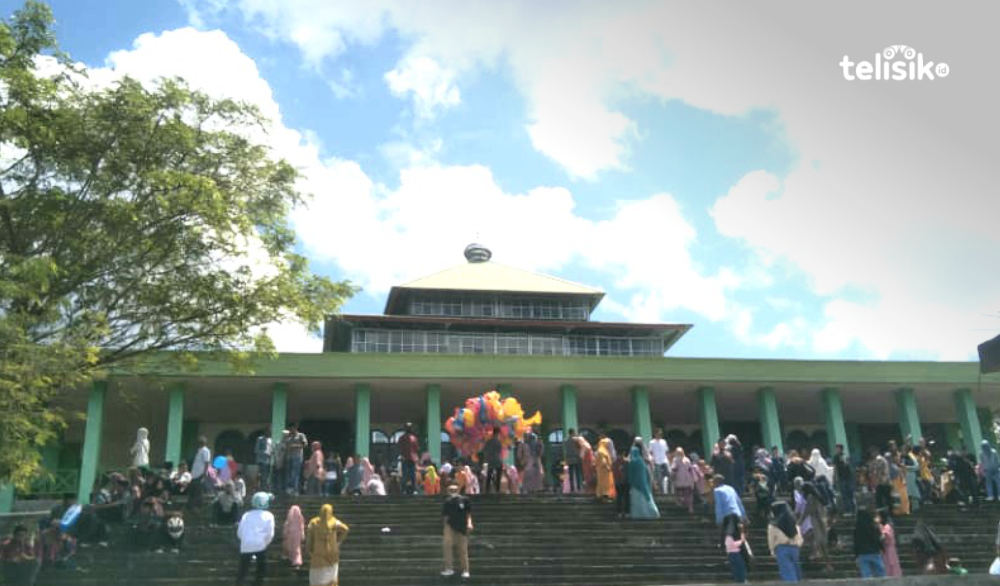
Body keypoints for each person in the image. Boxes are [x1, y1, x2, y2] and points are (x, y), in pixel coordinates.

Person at [236, 492, 275, 586]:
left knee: (243, 570)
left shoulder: (246, 515)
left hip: (245, 545)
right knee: (261, 569)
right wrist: (265, 543)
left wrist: (244, 541)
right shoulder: (268, 515)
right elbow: (270, 533)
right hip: (260, 545)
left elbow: (240, 532)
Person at [306, 504, 350, 586]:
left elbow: (309, 538)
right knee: (331, 578)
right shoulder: (334, 522)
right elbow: (345, 529)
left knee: (317, 578)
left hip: (317, 555)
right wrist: (338, 541)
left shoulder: (313, 522)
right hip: (332, 555)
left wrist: (308, 549)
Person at [441, 483, 472, 579]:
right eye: (451, 490)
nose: (453, 491)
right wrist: (445, 528)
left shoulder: (465, 500)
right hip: (450, 526)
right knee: (447, 548)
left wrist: (470, 523)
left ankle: (465, 570)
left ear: (458, 490)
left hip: (462, 526)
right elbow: (445, 516)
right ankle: (449, 568)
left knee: (463, 549)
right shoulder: (447, 501)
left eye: (454, 489)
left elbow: (468, 513)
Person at [767, 501, 803, 582]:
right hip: (794, 547)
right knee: (796, 570)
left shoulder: (773, 524)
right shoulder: (793, 521)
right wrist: (798, 544)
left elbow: (771, 539)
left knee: (787, 572)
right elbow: (799, 535)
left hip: (781, 548)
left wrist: (772, 550)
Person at [627, 438, 660, 519]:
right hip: (644, 484)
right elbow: (648, 473)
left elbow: (630, 474)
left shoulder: (632, 462)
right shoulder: (641, 461)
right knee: (645, 500)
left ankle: (638, 514)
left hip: (635, 485)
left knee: (637, 501)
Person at [852, 509, 885, 578]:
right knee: (880, 573)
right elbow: (877, 539)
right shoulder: (872, 526)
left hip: (862, 553)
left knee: (866, 574)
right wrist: (882, 548)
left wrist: (856, 555)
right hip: (874, 552)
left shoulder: (856, 529)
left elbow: (856, 543)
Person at [722, 514, 748, 583]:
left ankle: (740, 581)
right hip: (734, 553)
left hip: (733, 554)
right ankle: (741, 581)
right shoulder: (729, 535)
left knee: (738, 569)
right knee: (740, 568)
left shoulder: (731, 533)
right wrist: (741, 541)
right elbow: (730, 544)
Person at [671, 447, 696, 514]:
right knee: (680, 494)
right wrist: (673, 476)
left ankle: (690, 508)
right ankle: (683, 505)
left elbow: (690, 469)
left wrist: (693, 478)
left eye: (680, 452)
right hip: (679, 480)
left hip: (686, 479)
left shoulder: (686, 460)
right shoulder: (675, 460)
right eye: (678, 453)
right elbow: (674, 469)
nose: (679, 454)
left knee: (688, 494)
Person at [188, 437, 211, 509]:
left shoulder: (205, 451)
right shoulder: (199, 450)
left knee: (198, 491)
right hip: (194, 475)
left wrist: (204, 474)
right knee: (192, 490)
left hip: (200, 474)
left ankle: (198, 507)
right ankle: (191, 506)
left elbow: (207, 462)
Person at [284, 424, 308, 495]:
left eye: (292, 428)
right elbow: (285, 445)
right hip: (289, 456)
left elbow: (305, 444)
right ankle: (288, 489)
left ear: (295, 428)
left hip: (297, 457)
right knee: (289, 473)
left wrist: (295, 446)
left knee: (295, 473)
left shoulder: (301, 435)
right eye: (290, 429)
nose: (291, 430)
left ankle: (295, 489)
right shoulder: (288, 436)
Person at [877, 509, 901, 577]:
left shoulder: (887, 526)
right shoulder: (882, 526)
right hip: (885, 550)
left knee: (891, 565)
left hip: (888, 550)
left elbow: (884, 536)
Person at [832, 444, 855, 515]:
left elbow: (849, 466)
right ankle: (848, 510)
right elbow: (835, 468)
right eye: (836, 448)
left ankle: (853, 509)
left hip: (848, 477)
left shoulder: (846, 456)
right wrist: (834, 477)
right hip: (841, 477)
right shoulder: (836, 457)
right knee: (844, 494)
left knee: (850, 494)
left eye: (838, 448)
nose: (837, 450)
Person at [398, 423, 420, 496]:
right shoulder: (413, 438)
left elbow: (399, 448)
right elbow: (417, 449)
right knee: (411, 475)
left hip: (407, 458)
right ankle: (411, 490)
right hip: (410, 459)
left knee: (407, 475)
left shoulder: (402, 438)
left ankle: (405, 490)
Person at [283, 505, 305, 569]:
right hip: (297, 534)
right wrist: (302, 534)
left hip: (290, 534)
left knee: (290, 546)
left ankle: (289, 558)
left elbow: (286, 525)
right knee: (296, 548)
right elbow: (302, 526)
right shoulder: (300, 517)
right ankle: (297, 562)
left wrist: (285, 533)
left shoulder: (289, 517)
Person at [483, 427, 503, 495]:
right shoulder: (498, 442)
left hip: (490, 460)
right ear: (498, 433)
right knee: (498, 475)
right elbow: (500, 451)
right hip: (497, 460)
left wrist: (487, 458)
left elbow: (485, 450)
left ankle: (487, 490)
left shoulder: (488, 441)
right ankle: (497, 490)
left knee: (489, 474)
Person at [649, 429, 670, 494]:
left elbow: (666, 451)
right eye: (658, 434)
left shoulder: (664, 441)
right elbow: (650, 452)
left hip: (664, 461)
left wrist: (668, 460)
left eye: (660, 434)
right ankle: (662, 492)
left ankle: (668, 491)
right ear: (655, 434)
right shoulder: (652, 442)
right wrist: (652, 461)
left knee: (668, 475)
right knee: (659, 478)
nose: (659, 435)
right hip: (657, 462)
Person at [613, 449, 630, 518]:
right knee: (625, 497)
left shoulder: (615, 462)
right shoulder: (627, 462)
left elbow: (613, 472)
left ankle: (620, 512)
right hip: (624, 482)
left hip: (619, 482)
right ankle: (626, 512)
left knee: (620, 497)